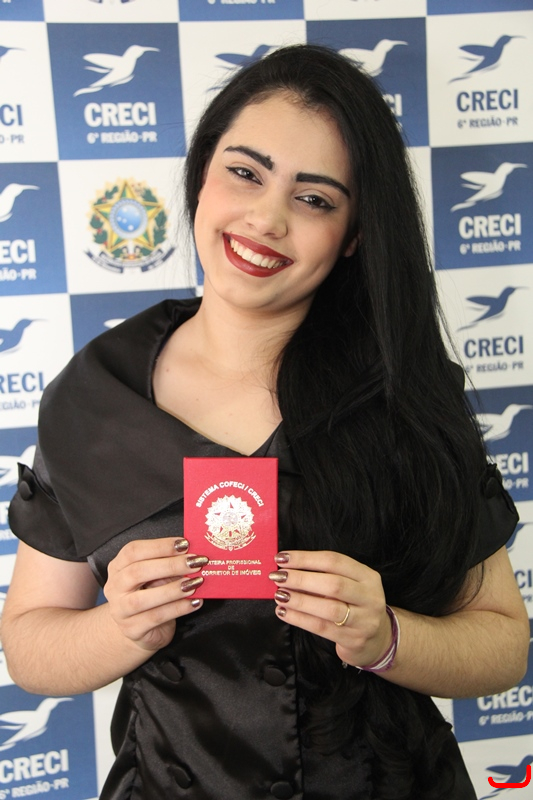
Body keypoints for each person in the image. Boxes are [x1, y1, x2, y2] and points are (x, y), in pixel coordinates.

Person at [1, 44, 528, 800]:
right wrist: (118, 627)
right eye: (246, 173)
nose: (267, 219)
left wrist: (389, 638)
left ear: (353, 234)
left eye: (314, 199)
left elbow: (502, 642)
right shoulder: (94, 397)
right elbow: (30, 645)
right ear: (202, 173)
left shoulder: (403, 392)